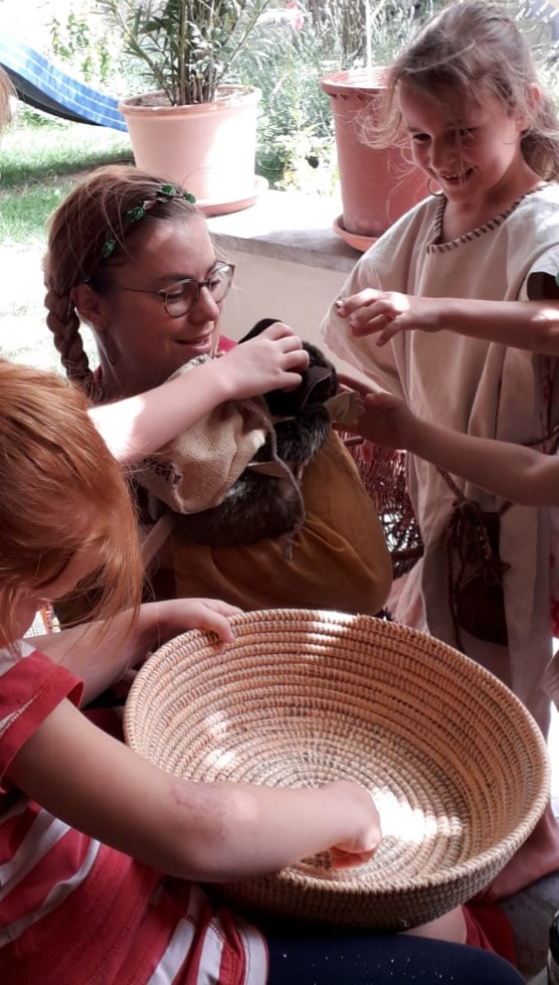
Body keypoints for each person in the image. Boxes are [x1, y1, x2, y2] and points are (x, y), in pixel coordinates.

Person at [0, 359, 526, 985]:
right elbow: (199, 829)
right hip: (148, 958)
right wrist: (347, 808)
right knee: (482, 978)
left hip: (93, 880)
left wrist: (145, 625)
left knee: (436, 922)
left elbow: (24, 664)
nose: (36, 618)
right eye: (35, 597)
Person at [322, 0, 559, 895]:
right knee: (465, 663)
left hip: (519, 496)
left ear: (522, 107)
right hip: (448, 480)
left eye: (462, 134)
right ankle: (499, 810)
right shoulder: (428, 224)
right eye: (421, 140)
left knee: (510, 671)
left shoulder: (541, 225)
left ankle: (534, 832)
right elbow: (362, 308)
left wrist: (427, 312)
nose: (441, 159)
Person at [43, 164, 392, 617]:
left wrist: (160, 556)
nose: (208, 310)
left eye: (212, 280)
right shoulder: (70, 441)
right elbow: (76, 613)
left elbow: (360, 583)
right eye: (175, 293)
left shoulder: (272, 399)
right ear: (92, 305)